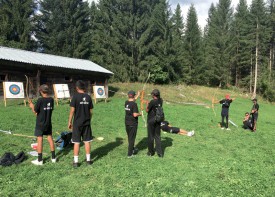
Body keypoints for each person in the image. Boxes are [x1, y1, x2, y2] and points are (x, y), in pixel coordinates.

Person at [68, 80, 93, 168]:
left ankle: (76, 162)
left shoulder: (75, 97)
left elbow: (72, 111)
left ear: (77, 88)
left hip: (77, 123)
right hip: (86, 123)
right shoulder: (89, 97)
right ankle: (88, 160)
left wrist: (69, 121)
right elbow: (91, 112)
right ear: (84, 87)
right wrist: (89, 119)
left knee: (77, 142)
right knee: (87, 141)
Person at [29, 84, 56, 165]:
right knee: (50, 138)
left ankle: (40, 160)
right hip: (48, 123)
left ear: (41, 91)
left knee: (39, 139)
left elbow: (35, 112)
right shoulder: (51, 99)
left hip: (40, 123)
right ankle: (53, 158)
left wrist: (31, 106)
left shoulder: (40, 100)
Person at [146, 89, 163, 157]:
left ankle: (151, 152)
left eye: (152, 94)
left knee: (150, 136)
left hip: (151, 120)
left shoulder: (152, 102)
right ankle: (160, 153)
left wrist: (147, 104)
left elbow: (147, 110)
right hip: (158, 120)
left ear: (153, 95)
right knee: (157, 136)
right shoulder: (161, 100)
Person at [124, 90, 141, 158]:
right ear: (133, 96)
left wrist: (138, 95)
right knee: (132, 138)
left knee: (130, 137)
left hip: (127, 122)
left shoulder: (126, 102)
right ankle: (130, 154)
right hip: (132, 123)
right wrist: (140, 114)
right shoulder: (134, 104)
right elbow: (134, 114)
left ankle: (132, 148)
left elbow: (133, 100)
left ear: (128, 95)